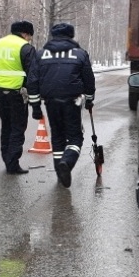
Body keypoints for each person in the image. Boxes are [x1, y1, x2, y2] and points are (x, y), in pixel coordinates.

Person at [27, 22, 96, 188]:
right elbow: (88, 79)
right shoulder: (80, 54)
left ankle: (60, 172)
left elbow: (32, 81)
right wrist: (89, 99)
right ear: (70, 36)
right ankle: (67, 162)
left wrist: (35, 106)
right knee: (75, 137)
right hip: (72, 102)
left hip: (50, 102)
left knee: (57, 137)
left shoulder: (40, 54)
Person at [0, 20, 38, 174]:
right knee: (18, 127)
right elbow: (33, 76)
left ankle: (6, 158)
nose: (29, 39)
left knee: (6, 126)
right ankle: (12, 163)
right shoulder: (25, 48)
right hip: (17, 92)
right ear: (25, 33)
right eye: (29, 36)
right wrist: (35, 101)